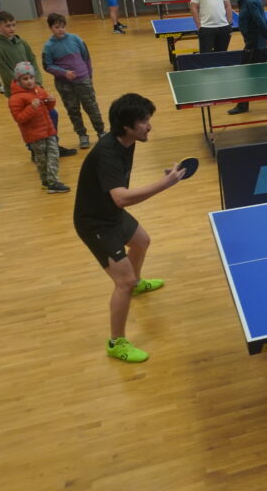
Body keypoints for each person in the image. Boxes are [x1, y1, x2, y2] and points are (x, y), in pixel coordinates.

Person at [73, 93, 186, 363]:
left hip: (110, 213)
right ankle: (116, 343)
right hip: (95, 223)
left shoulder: (127, 141)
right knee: (122, 282)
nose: (149, 126)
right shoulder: (108, 153)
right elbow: (121, 197)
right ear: (126, 126)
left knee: (141, 241)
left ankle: (136, 284)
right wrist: (164, 184)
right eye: (144, 121)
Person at [0, 10, 76, 157]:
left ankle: (53, 146)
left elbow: (33, 60)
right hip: (18, 93)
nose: (11, 28)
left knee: (51, 114)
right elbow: (5, 72)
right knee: (29, 121)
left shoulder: (22, 42)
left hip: (34, 88)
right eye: (7, 26)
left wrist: (36, 82)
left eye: (13, 25)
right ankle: (35, 151)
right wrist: (24, 85)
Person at [42, 13, 106, 149]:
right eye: (57, 27)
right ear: (50, 28)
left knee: (92, 107)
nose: (60, 30)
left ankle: (101, 132)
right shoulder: (48, 47)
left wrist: (89, 76)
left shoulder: (76, 40)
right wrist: (64, 73)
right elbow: (47, 66)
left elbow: (86, 58)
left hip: (83, 80)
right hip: (64, 85)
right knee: (73, 110)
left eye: (62, 26)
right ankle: (82, 135)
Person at [7, 61, 69, 193]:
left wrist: (51, 100)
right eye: (25, 78)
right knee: (42, 160)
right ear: (18, 80)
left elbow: (48, 108)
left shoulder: (38, 90)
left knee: (53, 155)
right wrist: (31, 108)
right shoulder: (15, 99)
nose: (29, 81)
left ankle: (51, 182)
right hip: (34, 135)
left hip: (48, 130)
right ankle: (48, 182)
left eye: (31, 77)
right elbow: (19, 118)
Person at [227, 0, 267, 116]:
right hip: (255, 43)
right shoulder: (246, 0)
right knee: (266, 73)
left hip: (254, 44)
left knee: (245, 74)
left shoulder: (250, 1)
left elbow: (260, 20)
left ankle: (242, 105)